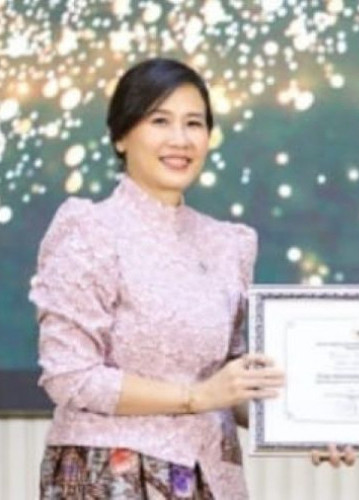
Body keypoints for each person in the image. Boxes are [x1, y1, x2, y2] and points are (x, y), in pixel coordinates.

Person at [29, 58, 284, 499]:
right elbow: (71, 376)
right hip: (110, 478)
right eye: (159, 120)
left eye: (194, 123)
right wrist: (195, 397)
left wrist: (306, 427)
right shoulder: (89, 229)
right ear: (121, 135)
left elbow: (232, 382)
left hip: (212, 478)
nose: (180, 139)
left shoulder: (229, 244)